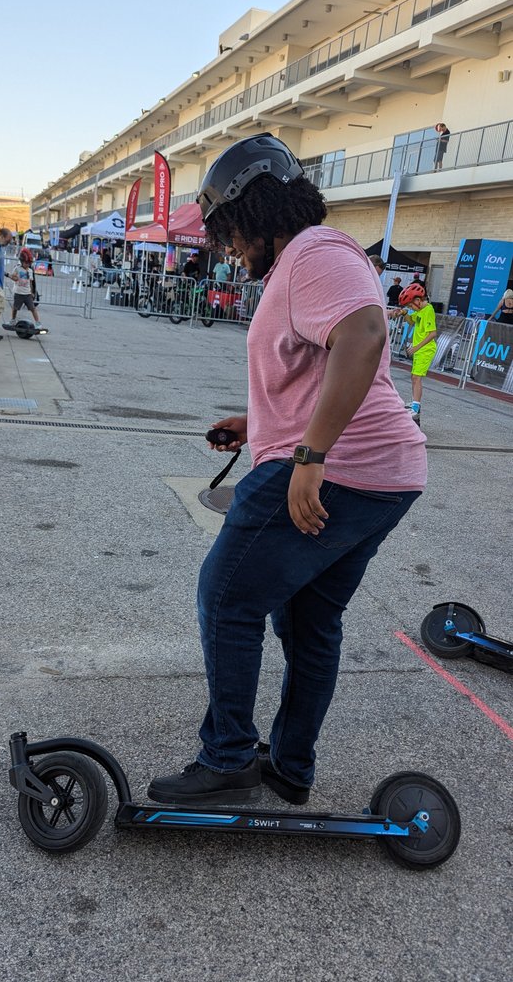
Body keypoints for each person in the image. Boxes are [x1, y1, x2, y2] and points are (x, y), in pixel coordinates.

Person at [147, 133, 426, 807]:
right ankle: (291, 766)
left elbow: (363, 336)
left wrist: (310, 455)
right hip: (382, 475)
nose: (228, 248)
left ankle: (228, 759)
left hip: (342, 467)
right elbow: (317, 368)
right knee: (307, 621)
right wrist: (260, 422)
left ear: (259, 210)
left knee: (227, 598)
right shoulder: (302, 263)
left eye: (230, 232)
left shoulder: (313, 252)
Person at [391, 282, 437, 426]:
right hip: (420, 350)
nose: (410, 308)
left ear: (418, 300)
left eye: (410, 305)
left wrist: (416, 347)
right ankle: (414, 403)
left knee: (417, 377)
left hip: (425, 349)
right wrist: (405, 313)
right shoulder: (420, 310)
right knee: (413, 377)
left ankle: (416, 407)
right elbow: (411, 321)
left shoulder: (428, 310)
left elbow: (432, 333)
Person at [4, 248, 45, 332]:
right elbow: (14, 278)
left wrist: (32, 292)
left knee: (32, 308)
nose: (27, 265)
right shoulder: (17, 268)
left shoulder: (30, 271)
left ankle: (38, 323)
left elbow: (31, 282)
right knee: (15, 308)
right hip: (18, 292)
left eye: (29, 263)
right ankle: (13, 320)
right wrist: (8, 275)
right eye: (26, 263)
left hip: (27, 293)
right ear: (21, 261)